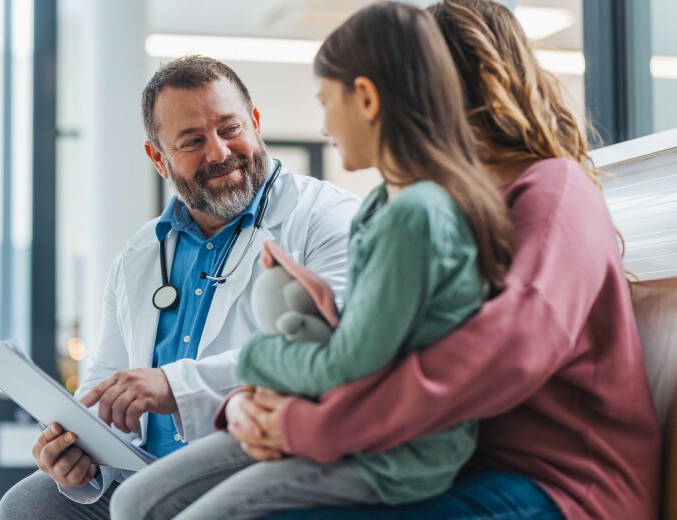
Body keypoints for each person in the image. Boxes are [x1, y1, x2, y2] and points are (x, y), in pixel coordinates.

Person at [222, 1, 663, 519]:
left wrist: (313, 427)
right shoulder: (441, 204)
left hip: (560, 485)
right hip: (447, 461)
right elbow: (393, 347)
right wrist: (252, 402)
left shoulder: (554, 191)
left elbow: (508, 350)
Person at [107, 4, 514, 519]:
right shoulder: (384, 208)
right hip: (338, 417)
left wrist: (255, 363)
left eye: (325, 102)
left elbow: (351, 359)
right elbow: (367, 332)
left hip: (385, 450)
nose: (322, 125)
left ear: (366, 99)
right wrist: (317, 311)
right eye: (191, 142)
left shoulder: (408, 214)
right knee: (128, 499)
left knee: (163, 509)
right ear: (158, 157)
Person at [0, 56, 360, 519]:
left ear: (256, 123)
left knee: (144, 504)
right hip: (140, 466)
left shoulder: (325, 217)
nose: (219, 152)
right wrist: (77, 452)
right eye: (192, 141)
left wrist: (175, 385)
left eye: (230, 129)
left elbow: (329, 349)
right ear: (158, 159)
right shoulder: (141, 253)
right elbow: (104, 382)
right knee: (28, 505)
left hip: (250, 454)